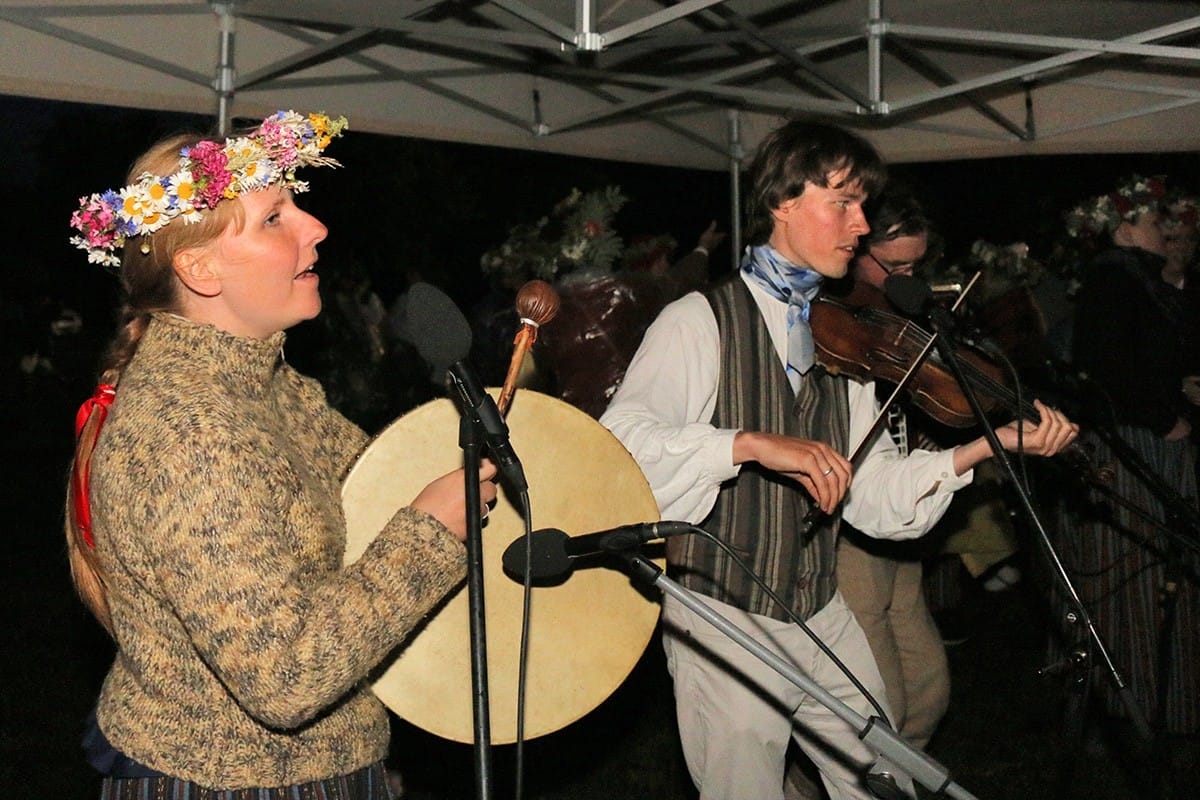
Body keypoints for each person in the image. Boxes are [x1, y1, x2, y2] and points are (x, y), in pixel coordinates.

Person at [600, 119, 1078, 800]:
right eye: (843, 203)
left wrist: (980, 447)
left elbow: (873, 487)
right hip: (724, 618)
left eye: (862, 205)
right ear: (781, 202)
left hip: (821, 610)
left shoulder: (840, 337)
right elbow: (621, 448)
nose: (860, 225)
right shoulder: (698, 321)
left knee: (883, 781)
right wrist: (745, 442)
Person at [64, 110, 497, 798]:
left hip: (320, 768)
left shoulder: (266, 382)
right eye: (275, 218)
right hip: (233, 782)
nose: (315, 227)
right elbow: (286, 677)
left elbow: (369, 493)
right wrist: (430, 533)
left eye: (296, 205)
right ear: (200, 268)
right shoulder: (187, 432)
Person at [1054, 175, 1200, 749]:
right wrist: (1165, 416)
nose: (1166, 228)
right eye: (1152, 219)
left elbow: (1143, 358)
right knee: (1130, 576)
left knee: (1153, 572)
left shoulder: (1136, 280)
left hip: (1144, 441)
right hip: (1132, 446)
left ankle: (1153, 704)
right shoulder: (1114, 280)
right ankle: (1129, 709)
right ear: (1121, 229)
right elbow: (1106, 366)